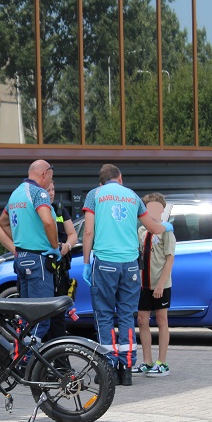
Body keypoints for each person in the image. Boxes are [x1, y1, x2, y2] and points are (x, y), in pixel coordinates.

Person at [80, 164, 171, 386]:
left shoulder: (95, 195)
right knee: (126, 315)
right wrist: (166, 227)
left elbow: (88, 231)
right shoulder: (132, 196)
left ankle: (108, 367)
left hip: (106, 263)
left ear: (102, 181)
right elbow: (153, 227)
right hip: (130, 265)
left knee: (104, 315)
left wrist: (86, 262)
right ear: (120, 178)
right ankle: (127, 368)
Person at [0, 160, 60, 341]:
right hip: (38, 259)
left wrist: (21, 241)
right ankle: (27, 356)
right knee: (41, 317)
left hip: (21, 259)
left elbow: (2, 222)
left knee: (27, 316)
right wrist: (55, 247)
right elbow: (48, 222)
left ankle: (20, 353)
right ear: (44, 174)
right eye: (51, 178)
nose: (50, 182)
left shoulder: (16, 194)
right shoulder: (39, 193)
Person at [134, 192, 175, 377]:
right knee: (142, 320)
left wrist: (160, 284)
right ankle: (147, 361)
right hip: (144, 283)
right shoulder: (142, 231)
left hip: (161, 284)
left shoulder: (166, 231)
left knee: (161, 320)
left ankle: (162, 362)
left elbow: (169, 259)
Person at [45, 180, 78, 340]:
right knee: (44, 313)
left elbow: (72, 234)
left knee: (58, 315)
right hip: (45, 267)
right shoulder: (38, 210)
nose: (51, 193)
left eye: (53, 189)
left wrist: (67, 246)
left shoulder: (59, 210)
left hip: (61, 270)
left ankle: (58, 351)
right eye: (48, 190)